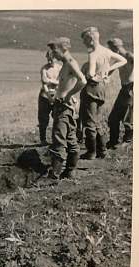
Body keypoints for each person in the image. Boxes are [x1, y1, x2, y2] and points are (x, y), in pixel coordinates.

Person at [80, 27, 127, 159]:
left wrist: (88, 71)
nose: (84, 43)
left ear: (90, 38)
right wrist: (108, 70)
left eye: (85, 40)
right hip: (102, 88)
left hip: (92, 88)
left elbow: (90, 73)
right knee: (98, 120)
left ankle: (91, 152)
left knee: (89, 121)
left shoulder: (93, 54)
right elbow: (123, 60)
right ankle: (102, 151)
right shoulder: (106, 51)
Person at [46, 37, 87, 179]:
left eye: (55, 50)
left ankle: (54, 175)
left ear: (63, 49)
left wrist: (69, 95)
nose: (54, 54)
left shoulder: (70, 62)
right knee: (70, 138)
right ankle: (70, 171)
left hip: (64, 107)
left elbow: (83, 80)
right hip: (64, 107)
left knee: (59, 140)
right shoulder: (65, 64)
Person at [106, 38, 134, 149]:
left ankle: (127, 141)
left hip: (131, 88)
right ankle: (113, 141)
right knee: (113, 117)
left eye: (111, 49)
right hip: (124, 89)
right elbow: (109, 71)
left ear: (115, 48)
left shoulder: (129, 56)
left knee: (128, 117)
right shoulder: (120, 59)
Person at [38, 50, 62, 145]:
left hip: (57, 95)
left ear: (56, 59)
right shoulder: (44, 69)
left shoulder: (60, 68)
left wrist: (51, 81)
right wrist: (49, 96)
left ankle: (56, 140)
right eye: (48, 59)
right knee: (43, 118)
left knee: (58, 118)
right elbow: (44, 82)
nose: (49, 61)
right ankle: (43, 140)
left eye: (51, 59)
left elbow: (61, 82)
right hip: (45, 96)